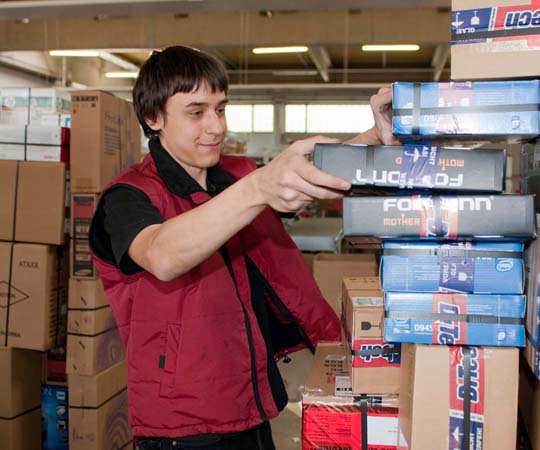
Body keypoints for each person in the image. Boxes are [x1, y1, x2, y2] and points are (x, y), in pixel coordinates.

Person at [89, 45, 398, 450]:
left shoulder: (233, 176)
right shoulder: (128, 197)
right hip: (184, 426)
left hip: (251, 401)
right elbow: (162, 255)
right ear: (153, 117)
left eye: (220, 109)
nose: (216, 127)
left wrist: (375, 136)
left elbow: (310, 173)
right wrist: (258, 187)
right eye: (196, 112)